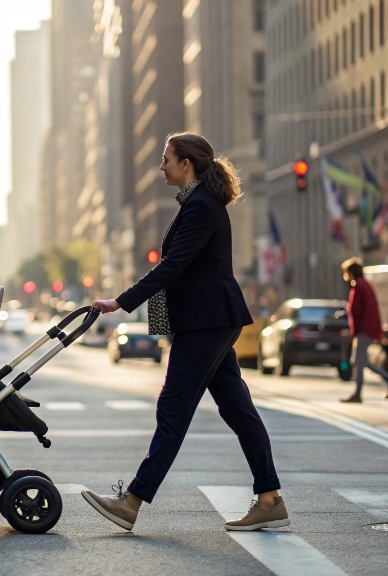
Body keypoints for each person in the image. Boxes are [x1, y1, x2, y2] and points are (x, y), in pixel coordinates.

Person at [83, 132, 287, 532]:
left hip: (206, 320)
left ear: (185, 164)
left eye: (166, 159)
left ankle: (133, 501)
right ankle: (270, 499)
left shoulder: (201, 207)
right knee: (237, 409)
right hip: (209, 319)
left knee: (173, 410)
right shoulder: (195, 204)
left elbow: (172, 267)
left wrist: (121, 301)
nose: (161, 166)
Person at [340, 257, 388, 403]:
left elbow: (358, 312)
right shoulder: (364, 285)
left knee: (358, 363)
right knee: (363, 362)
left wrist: (356, 333)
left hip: (364, 330)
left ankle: (358, 394)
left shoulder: (358, 287)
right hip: (367, 329)